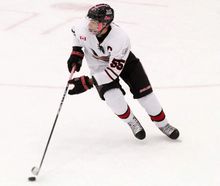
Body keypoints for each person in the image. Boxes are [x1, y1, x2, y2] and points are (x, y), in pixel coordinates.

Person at [67, 3, 179, 140]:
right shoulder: (81, 27)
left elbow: (112, 73)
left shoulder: (120, 39)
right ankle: (132, 121)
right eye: (91, 21)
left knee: (147, 97)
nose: (91, 26)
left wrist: (89, 82)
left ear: (106, 24)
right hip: (98, 65)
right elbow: (76, 36)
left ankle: (163, 124)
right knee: (113, 100)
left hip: (125, 63)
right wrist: (76, 52)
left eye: (96, 23)